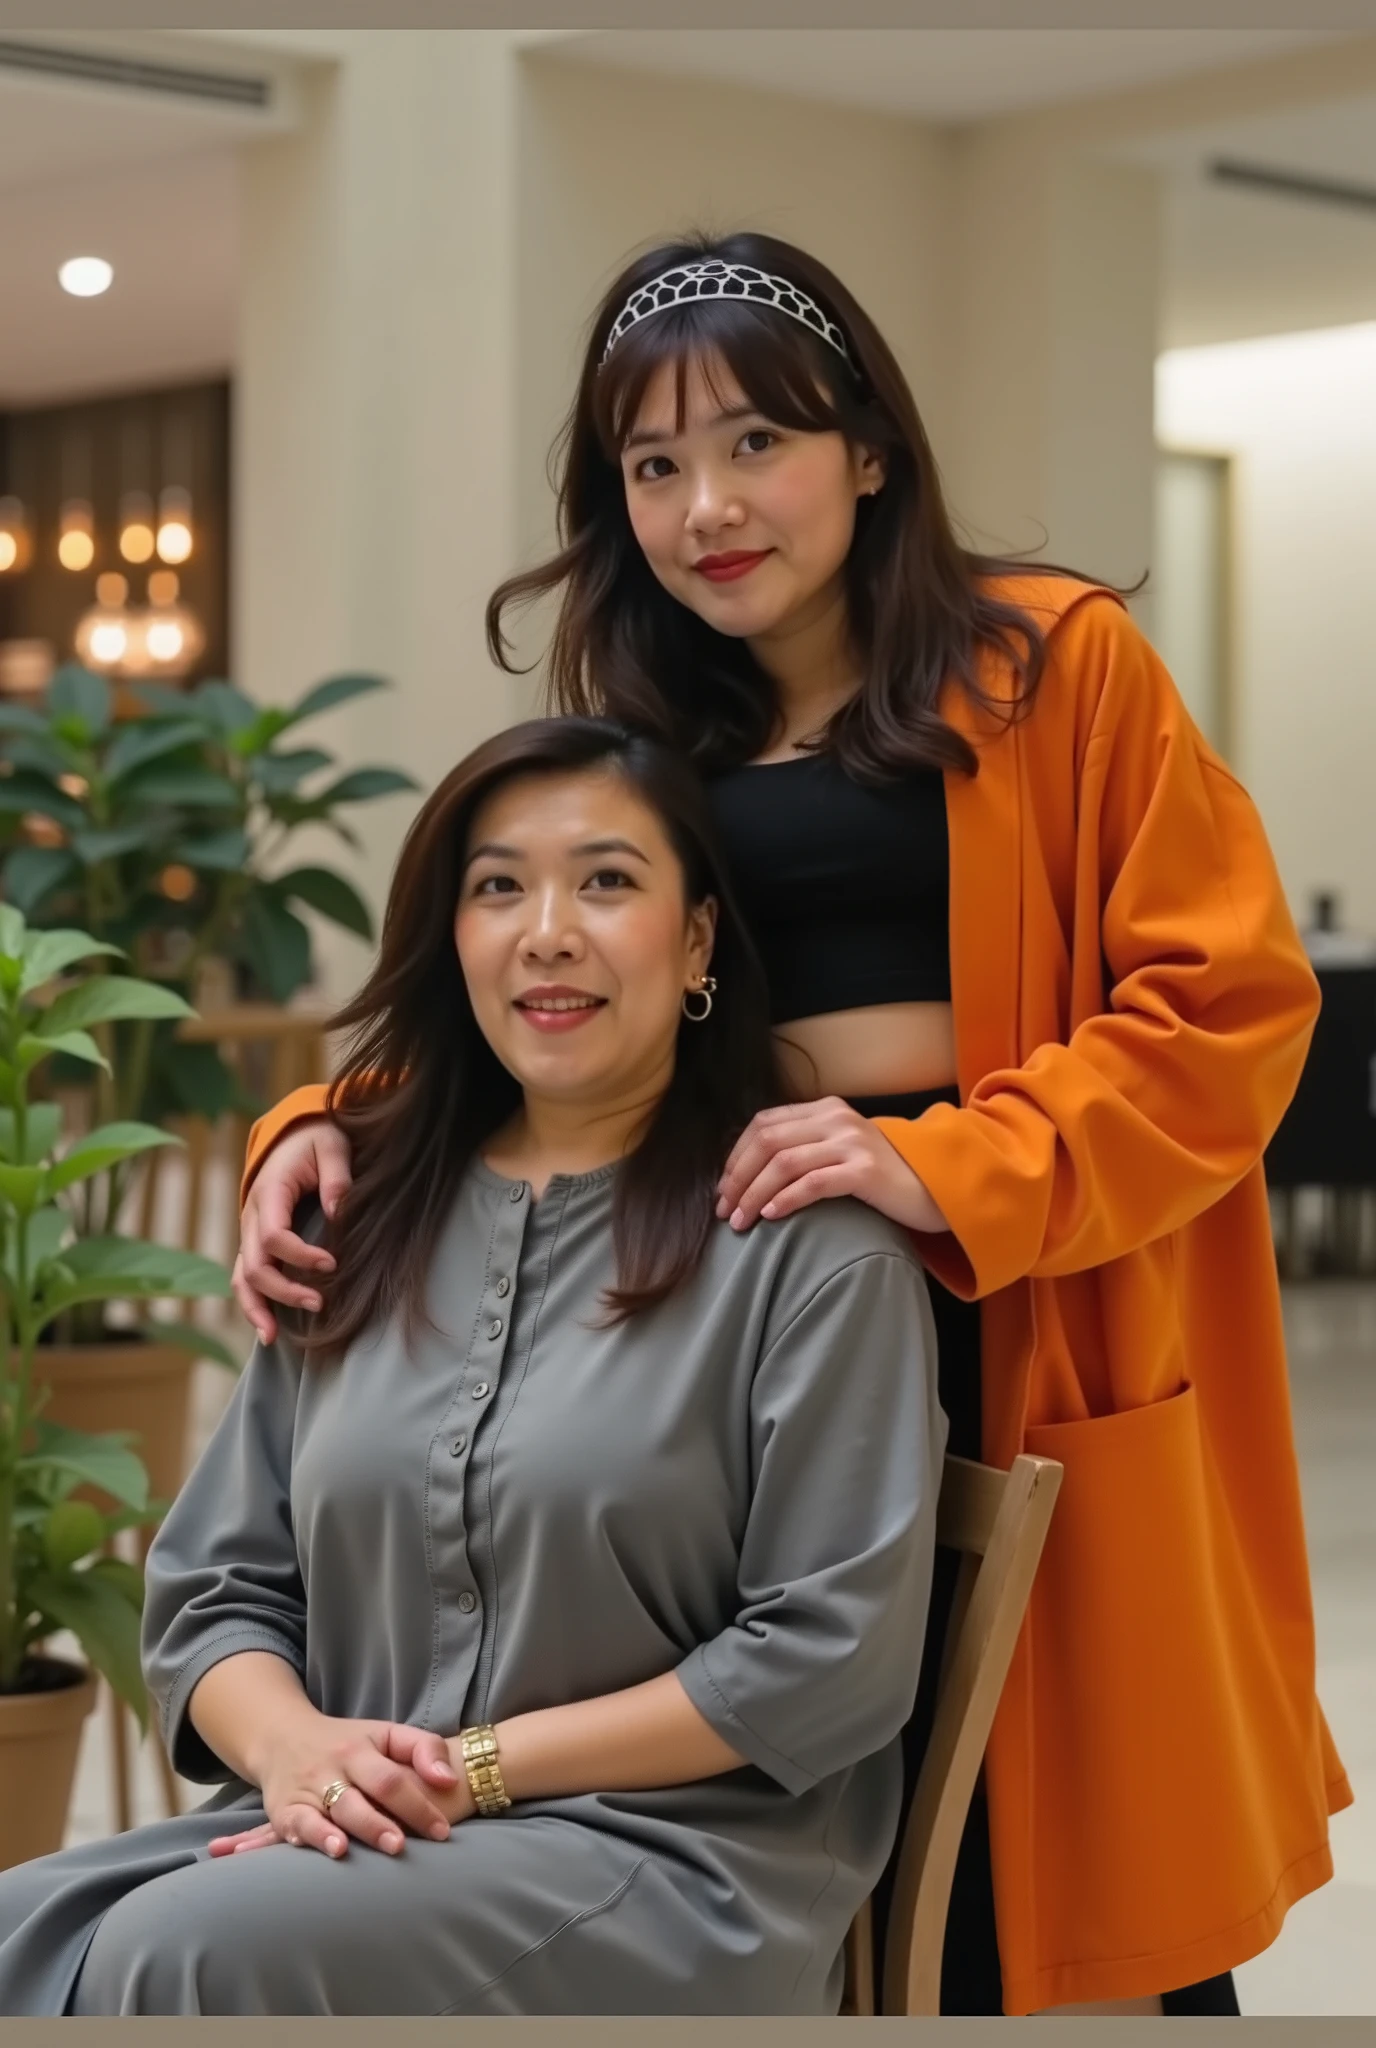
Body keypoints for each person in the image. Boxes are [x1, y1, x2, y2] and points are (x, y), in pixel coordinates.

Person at [231, 229, 1352, 2018]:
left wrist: (944, 1158)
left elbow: (1229, 1008)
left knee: (1043, 1893)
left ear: (871, 450)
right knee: (792, 1838)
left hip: (1017, 1310)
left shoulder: (1056, 666)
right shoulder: (647, 729)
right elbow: (545, 987)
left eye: (757, 443)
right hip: (738, 1333)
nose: (707, 508)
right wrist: (325, 1119)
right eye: (654, 467)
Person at [0, 719, 943, 2016]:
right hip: (358, 1829)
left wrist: (470, 1768)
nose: (547, 931)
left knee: (182, 1957)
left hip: (675, 1862)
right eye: (499, 887)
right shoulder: (364, 1218)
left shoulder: (808, 1250)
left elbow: (827, 1661)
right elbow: (217, 1585)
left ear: (701, 941)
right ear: (454, 940)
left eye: (607, 882)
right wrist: (293, 1749)